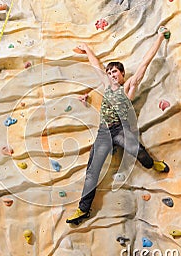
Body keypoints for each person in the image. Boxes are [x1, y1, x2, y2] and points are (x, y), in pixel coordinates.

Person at [66, 26, 171, 224]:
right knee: (92, 171)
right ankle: (83, 209)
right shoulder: (106, 86)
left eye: (115, 72)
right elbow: (96, 64)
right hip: (104, 133)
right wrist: (87, 49)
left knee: (139, 152)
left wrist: (158, 37)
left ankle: (152, 164)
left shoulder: (128, 87)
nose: (112, 75)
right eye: (109, 72)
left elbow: (145, 63)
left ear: (122, 74)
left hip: (121, 130)